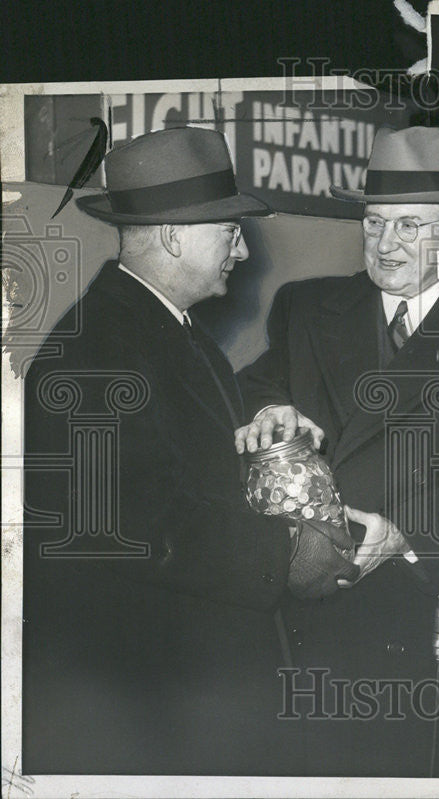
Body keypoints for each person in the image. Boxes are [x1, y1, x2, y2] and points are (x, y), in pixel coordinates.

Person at [21, 127, 357, 775]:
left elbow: (182, 465)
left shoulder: (166, 331)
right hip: (145, 705)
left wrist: (263, 437)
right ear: (174, 235)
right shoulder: (96, 353)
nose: (241, 244)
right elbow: (133, 525)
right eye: (227, 227)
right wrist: (289, 551)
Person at [235, 125, 439, 776]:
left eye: (410, 226)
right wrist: (269, 407)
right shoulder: (307, 305)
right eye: (375, 223)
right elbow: (259, 380)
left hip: (431, 612)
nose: (385, 244)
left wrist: (409, 535)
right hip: (314, 612)